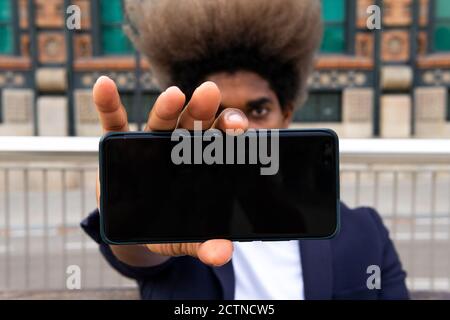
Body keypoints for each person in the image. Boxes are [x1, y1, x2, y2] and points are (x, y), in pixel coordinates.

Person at [81, 0, 409, 299]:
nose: (238, 127)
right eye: (217, 111)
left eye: (258, 111)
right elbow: (141, 254)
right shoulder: (175, 220)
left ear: (287, 114)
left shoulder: (363, 232)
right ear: (191, 120)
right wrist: (134, 222)